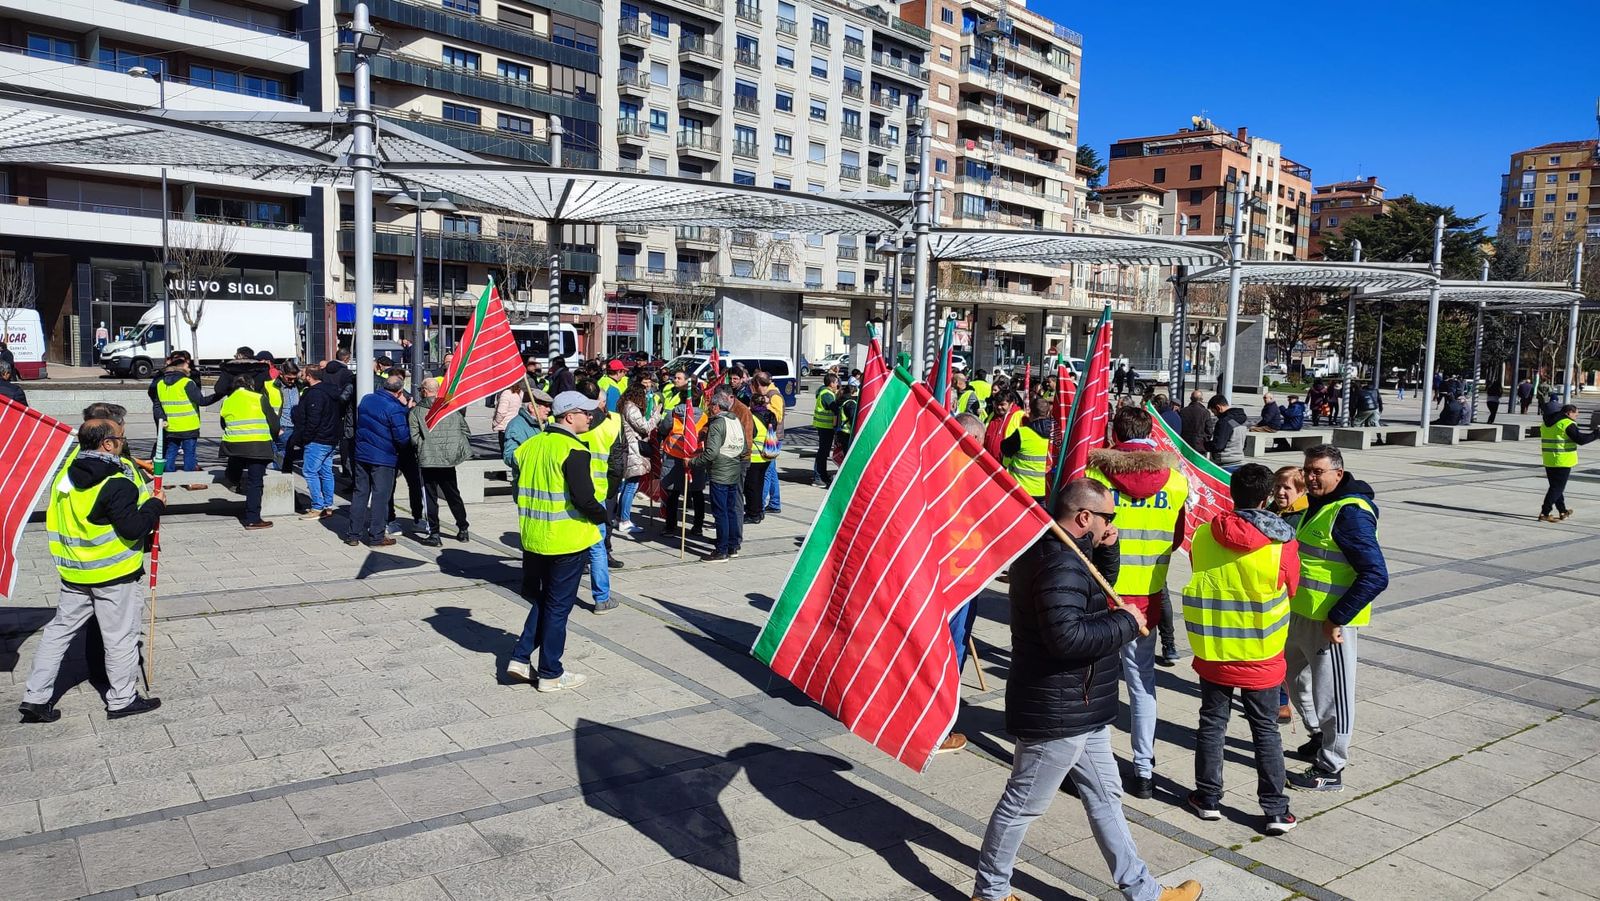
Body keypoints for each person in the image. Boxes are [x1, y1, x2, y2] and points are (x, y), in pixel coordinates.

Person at [971, 479, 1202, 901]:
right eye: (1107, 517)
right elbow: (1067, 637)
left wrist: (1108, 549)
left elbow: (1091, 593)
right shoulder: (1058, 561)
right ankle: (989, 893)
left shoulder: (1062, 548)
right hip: (1058, 709)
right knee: (1022, 804)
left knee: (1106, 795)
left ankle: (1144, 891)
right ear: (1083, 517)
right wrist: (1128, 622)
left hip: (1082, 705)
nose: (1111, 522)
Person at [19, 419, 165, 723]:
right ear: (107, 444)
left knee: (58, 633)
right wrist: (154, 505)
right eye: (122, 439)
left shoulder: (66, 476)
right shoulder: (116, 482)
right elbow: (134, 527)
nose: (124, 444)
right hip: (113, 573)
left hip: (75, 571)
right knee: (120, 637)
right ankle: (122, 699)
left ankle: (35, 697)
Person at [1182, 463, 1300, 835]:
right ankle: (1276, 810)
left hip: (1215, 651)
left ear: (1231, 493)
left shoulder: (1202, 535)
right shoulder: (1283, 543)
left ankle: (1208, 798)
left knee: (1212, 724)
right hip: (1262, 657)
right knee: (1265, 730)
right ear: (1266, 497)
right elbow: (1292, 588)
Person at [1085, 407, 1189, 798]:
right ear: (1153, 434)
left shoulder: (1095, 476)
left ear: (1115, 431)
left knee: (1095, 683)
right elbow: (1177, 539)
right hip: (1146, 598)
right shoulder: (1176, 482)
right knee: (1142, 684)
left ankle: (1094, 764)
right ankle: (1144, 769)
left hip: (1103, 593)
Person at [1284, 445, 1389, 792]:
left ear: (1338, 474)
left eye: (1318, 471)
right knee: (1293, 681)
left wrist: (1337, 618)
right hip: (1301, 614)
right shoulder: (1317, 506)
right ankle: (1318, 736)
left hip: (1332, 624)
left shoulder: (1350, 513)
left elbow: (1375, 574)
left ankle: (1331, 767)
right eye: (1307, 471)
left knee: (1333, 695)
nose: (1311, 477)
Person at [507, 391, 608, 691]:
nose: (590, 417)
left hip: (534, 538)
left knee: (544, 601)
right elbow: (584, 499)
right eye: (585, 413)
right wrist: (603, 515)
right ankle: (551, 672)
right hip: (566, 540)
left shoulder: (531, 446)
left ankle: (521, 657)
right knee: (558, 608)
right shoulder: (573, 450)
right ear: (568, 416)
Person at [577, 379, 627, 611]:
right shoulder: (611, 423)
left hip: (570, 491)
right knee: (597, 547)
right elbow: (617, 462)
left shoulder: (568, 423)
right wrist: (612, 489)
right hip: (598, 491)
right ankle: (601, 598)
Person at [347, 371, 411, 547]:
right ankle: (376, 536)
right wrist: (406, 409)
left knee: (360, 494)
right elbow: (402, 437)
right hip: (383, 458)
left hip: (362, 454)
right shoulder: (395, 408)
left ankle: (353, 534)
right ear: (399, 392)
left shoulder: (367, 399)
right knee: (380, 497)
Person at [408, 377, 472, 546]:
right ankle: (463, 528)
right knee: (453, 495)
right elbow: (465, 430)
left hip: (427, 460)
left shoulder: (416, 412)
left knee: (429, 497)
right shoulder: (450, 408)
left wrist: (424, 446)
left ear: (424, 390)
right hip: (448, 460)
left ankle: (434, 534)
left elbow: (414, 438)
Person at [1269, 464, 1309, 723]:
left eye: (1287, 488)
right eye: (1277, 487)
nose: (1281, 492)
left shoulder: (1304, 514)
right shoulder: (1272, 511)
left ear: (1301, 490)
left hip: (1294, 589)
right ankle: (1277, 697)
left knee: (1286, 651)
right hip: (1271, 586)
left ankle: (1284, 702)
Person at [694, 388, 749, 562]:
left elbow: (710, 453)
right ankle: (732, 546)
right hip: (734, 468)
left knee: (721, 512)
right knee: (731, 510)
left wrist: (692, 462)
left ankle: (721, 550)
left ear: (717, 406)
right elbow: (745, 447)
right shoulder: (736, 420)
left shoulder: (718, 423)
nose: (710, 408)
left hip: (720, 472)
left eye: (711, 405)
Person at [218, 373, 278, 530]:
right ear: (251, 385)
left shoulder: (227, 401)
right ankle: (253, 518)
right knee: (255, 482)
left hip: (233, 446)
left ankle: (232, 477)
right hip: (258, 446)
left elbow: (223, 424)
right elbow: (274, 423)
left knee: (235, 462)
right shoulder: (259, 398)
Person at [292, 365, 342, 519]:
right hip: (331, 438)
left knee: (310, 471)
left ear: (309, 377)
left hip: (318, 439)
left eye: (303, 374)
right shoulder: (331, 391)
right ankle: (328, 505)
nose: (300, 376)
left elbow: (313, 419)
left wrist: (306, 437)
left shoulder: (315, 394)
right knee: (326, 472)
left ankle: (317, 506)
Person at [659, 383, 708, 535]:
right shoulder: (704, 416)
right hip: (695, 456)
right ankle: (698, 526)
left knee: (673, 494)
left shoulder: (674, 414)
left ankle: (670, 526)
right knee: (697, 492)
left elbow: (663, 429)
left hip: (674, 454)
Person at [1538, 403, 1599, 522]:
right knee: (1556, 488)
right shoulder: (1566, 423)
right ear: (1566, 413)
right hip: (1563, 460)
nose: (1577, 415)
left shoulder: (1545, 425)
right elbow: (1581, 440)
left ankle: (1563, 511)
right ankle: (1544, 512)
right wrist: (1596, 433)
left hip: (1549, 459)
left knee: (1555, 487)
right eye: (1575, 413)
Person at [148, 354, 202, 482]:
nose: (190, 368)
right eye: (187, 366)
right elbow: (201, 400)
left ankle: (167, 481)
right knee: (190, 453)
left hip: (171, 425)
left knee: (170, 451)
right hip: (189, 425)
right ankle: (190, 481)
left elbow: (156, 402)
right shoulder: (187, 382)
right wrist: (219, 395)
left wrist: (163, 418)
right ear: (181, 367)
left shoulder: (161, 382)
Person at [618, 376, 659, 535]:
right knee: (631, 486)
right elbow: (644, 426)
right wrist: (656, 414)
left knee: (629, 484)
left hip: (631, 447)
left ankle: (619, 517)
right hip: (633, 448)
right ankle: (625, 520)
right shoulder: (631, 408)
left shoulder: (625, 406)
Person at [1002, 395, 1055, 505]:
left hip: (1021, 491)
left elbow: (1005, 448)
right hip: (1044, 492)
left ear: (1030, 412)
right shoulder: (1054, 435)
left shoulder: (1022, 433)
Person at [502, 387, 554, 480]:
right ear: (532, 407)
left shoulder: (547, 423)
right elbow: (509, 457)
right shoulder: (516, 426)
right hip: (527, 481)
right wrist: (535, 457)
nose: (549, 409)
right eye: (545, 406)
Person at [754, 371, 785, 513]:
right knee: (771, 472)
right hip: (770, 438)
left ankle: (761, 503)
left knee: (767, 472)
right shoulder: (769, 394)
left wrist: (767, 406)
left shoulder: (774, 395)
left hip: (772, 439)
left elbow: (778, 416)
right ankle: (774, 502)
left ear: (760, 384)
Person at [745, 401, 778, 524]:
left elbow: (750, 435)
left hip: (754, 457)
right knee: (759, 486)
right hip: (767, 456)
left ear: (753, 404)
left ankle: (753, 514)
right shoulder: (770, 415)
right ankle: (759, 510)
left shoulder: (752, 417)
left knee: (751, 487)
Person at [812, 373, 841, 487]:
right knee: (822, 453)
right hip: (825, 427)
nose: (837, 384)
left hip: (825, 427)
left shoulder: (826, 392)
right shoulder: (827, 394)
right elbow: (835, 408)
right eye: (836, 382)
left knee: (823, 452)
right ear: (831, 383)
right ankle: (818, 477)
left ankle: (822, 475)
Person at [272, 362, 301, 471]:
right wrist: (277, 428)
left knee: (287, 455)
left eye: (294, 378)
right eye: (289, 378)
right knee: (282, 454)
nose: (292, 381)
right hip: (282, 426)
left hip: (296, 426)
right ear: (281, 374)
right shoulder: (273, 386)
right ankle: (282, 477)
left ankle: (284, 475)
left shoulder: (298, 385)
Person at [1205, 394, 1247, 470]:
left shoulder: (1224, 422)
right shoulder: (1241, 419)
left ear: (1218, 407)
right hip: (1238, 461)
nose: (1214, 415)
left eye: (1214, 411)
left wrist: (1205, 444)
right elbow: (1244, 443)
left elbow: (1218, 446)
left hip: (1225, 462)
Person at [492, 382, 526, 453]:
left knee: (505, 452)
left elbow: (501, 412)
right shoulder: (520, 393)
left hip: (505, 427)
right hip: (515, 426)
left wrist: (495, 423)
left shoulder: (506, 393)